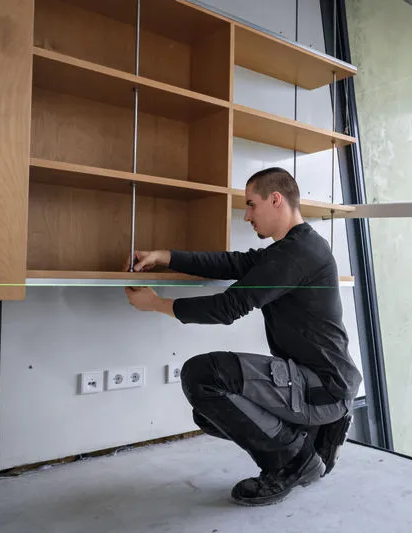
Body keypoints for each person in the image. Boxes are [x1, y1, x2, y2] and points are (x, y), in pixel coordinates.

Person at [123, 167, 363, 506]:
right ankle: (310, 438)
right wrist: (165, 256)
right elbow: (232, 263)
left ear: (276, 200)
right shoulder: (292, 248)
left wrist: (158, 304)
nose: (247, 215)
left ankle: (294, 459)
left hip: (322, 387)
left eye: (251, 204)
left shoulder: (298, 254)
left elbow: (229, 306)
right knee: (209, 413)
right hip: (320, 384)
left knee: (201, 377)